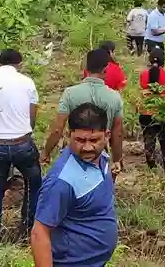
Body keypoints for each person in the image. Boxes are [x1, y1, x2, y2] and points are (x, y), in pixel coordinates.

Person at [31, 103, 118, 267]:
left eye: (94, 140)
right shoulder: (62, 180)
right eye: (79, 140)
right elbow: (39, 233)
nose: (87, 147)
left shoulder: (102, 157)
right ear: (68, 135)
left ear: (106, 136)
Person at [0, 48, 42, 237]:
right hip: (22, 143)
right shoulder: (27, 82)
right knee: (33, 183)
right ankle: (27, 228)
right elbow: (32, 115)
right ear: (20, 64)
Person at [41, 48, 123, 176]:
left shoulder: (70, 93)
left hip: (74, 150)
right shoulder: (114, 97)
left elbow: (58, 128)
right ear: (106, 69)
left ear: (86, 68)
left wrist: (46, 152)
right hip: (98, 152)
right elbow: (117, 133)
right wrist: (117, 159)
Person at [139, 48, 165, 174]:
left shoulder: (143, 75)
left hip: (146, 113)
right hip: (162, 113)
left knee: (149, 141)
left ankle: (151, 168)